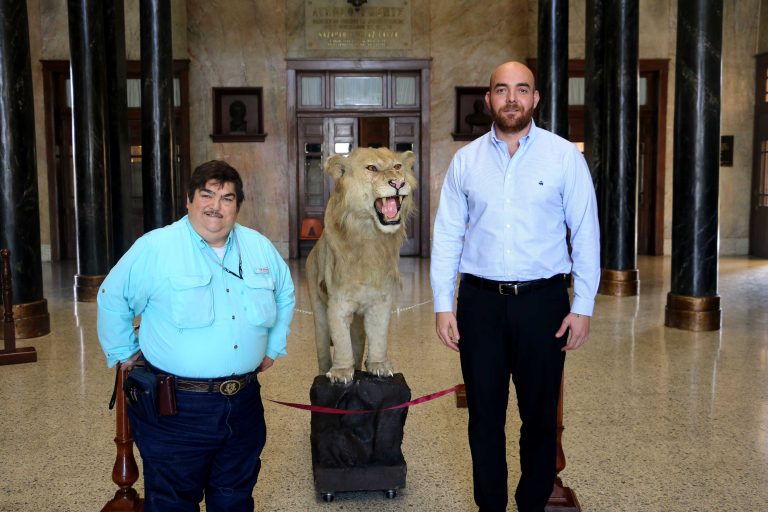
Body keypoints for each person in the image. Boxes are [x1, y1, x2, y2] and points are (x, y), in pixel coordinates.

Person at [430, 61, 600, 512]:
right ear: (488, 100)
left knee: (539, 419)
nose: (511, 99)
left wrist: (582, 306)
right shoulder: (466, 161)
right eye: (501, 90)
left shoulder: (564, 157)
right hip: (480, 304)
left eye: (521, 89)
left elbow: (585, 234)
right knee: (484, 419)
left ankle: (531, 505)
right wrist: (443, 305)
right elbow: (447, 234)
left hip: (543, 303)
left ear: (535, 99)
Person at [97, 160, 295, 511]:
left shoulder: (258, 247)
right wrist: (125, 353)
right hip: (177, 409)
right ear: (188, 200)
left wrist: (273, 347)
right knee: (174, 501)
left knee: (234, 497)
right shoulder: (156, 248)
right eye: (207, 195)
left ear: (237, 206)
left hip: (244, 403)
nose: (215, 207)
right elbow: (113, 297)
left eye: (227, 198)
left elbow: (284, 293)